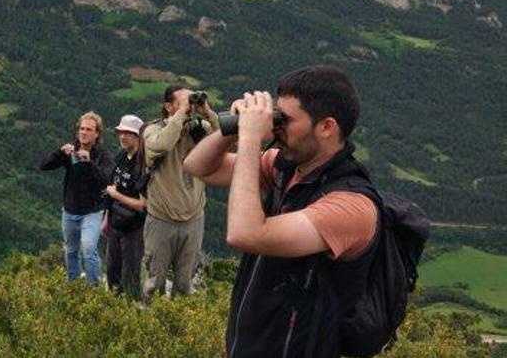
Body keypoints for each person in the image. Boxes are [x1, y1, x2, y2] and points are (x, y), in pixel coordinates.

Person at [183, 65, 379, 358]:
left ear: (326, 127)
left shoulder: (351, 206)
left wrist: (250, 139)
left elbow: (244, 233)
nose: (276, 127)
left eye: (285, 119)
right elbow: (198, 167)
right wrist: (234, 127)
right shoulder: (286, 169)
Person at [142, 85, 217, 300]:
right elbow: (162, 146)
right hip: (161, 218)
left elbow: (231, 138)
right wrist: (179, 116)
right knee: (153, 283)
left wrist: (208, 113)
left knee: (185, 284)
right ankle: (149, 327)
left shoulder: (199, 129)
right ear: (168, 107)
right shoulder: (153, 130)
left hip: (193, 219)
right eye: (182, 102)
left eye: (190, 101)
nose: (189, 107)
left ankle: (180, 327)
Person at [40, 111, 114, 285]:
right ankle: (73, 288)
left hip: (93, 211)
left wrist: (90, 163)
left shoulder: (103, 155)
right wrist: (59, 153)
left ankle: (94, 291)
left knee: (88, 248)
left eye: (89, 129)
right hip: (70, 210)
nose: (84, 132)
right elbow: (44, 165)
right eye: (81, 128)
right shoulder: (71, 150)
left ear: (97, 134)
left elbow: (107, 181)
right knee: (71, 251)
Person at [101, 114, 148, 300]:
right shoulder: (121, 156)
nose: (123, 137)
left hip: (133, 228)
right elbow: (112, 184)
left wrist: (116, 195)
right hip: (116, 223)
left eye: (128, 133)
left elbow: (142, 205)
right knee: (112, 270)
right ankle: (113, 310)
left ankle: (131, 313)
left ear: (138, 137)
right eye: (121, 133)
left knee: (130, 275)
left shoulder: (141, 164)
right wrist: (107, 218)